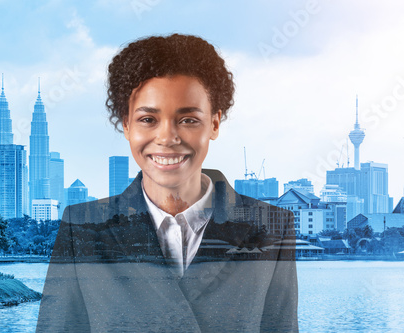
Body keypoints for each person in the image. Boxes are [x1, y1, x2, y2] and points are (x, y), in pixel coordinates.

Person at [37, 33, 298, 332]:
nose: (167, 138)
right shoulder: (82, 228)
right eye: (148, 119)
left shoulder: (271, 227)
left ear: (214, 123)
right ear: (126, 125)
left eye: (187, 120)